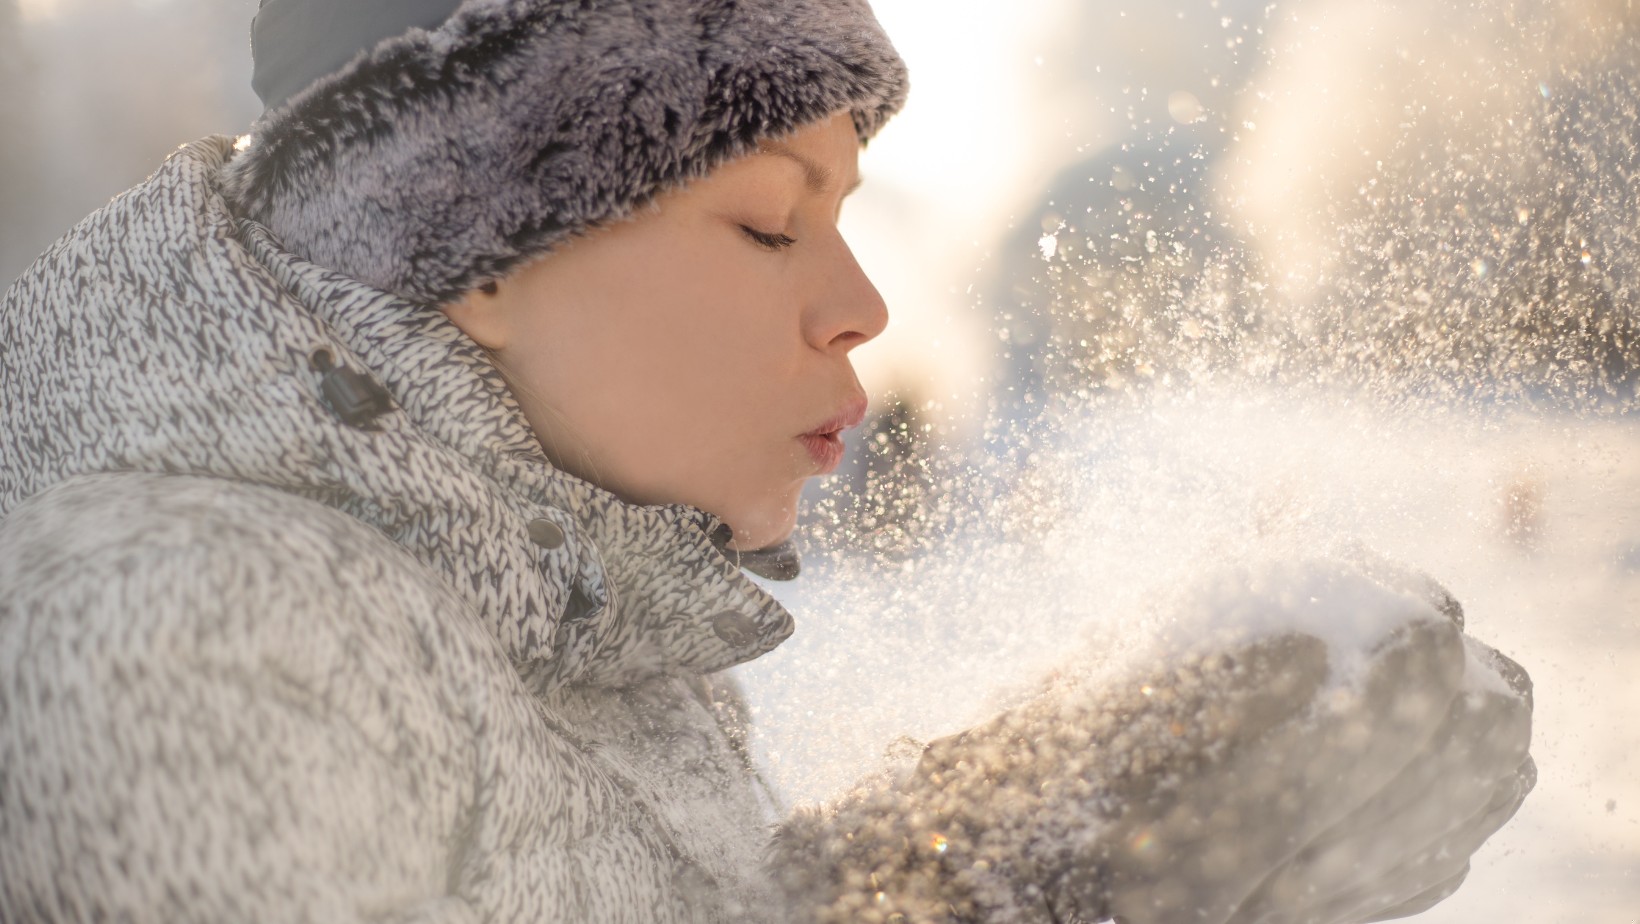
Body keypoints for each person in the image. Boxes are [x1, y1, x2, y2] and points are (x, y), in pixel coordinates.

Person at [0, 1, 1534, 922]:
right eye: (765, 219)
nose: (860, 306)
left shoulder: (564, 628)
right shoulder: (175, 619)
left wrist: (1045, 834)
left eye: (848, 212)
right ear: (468, 243)